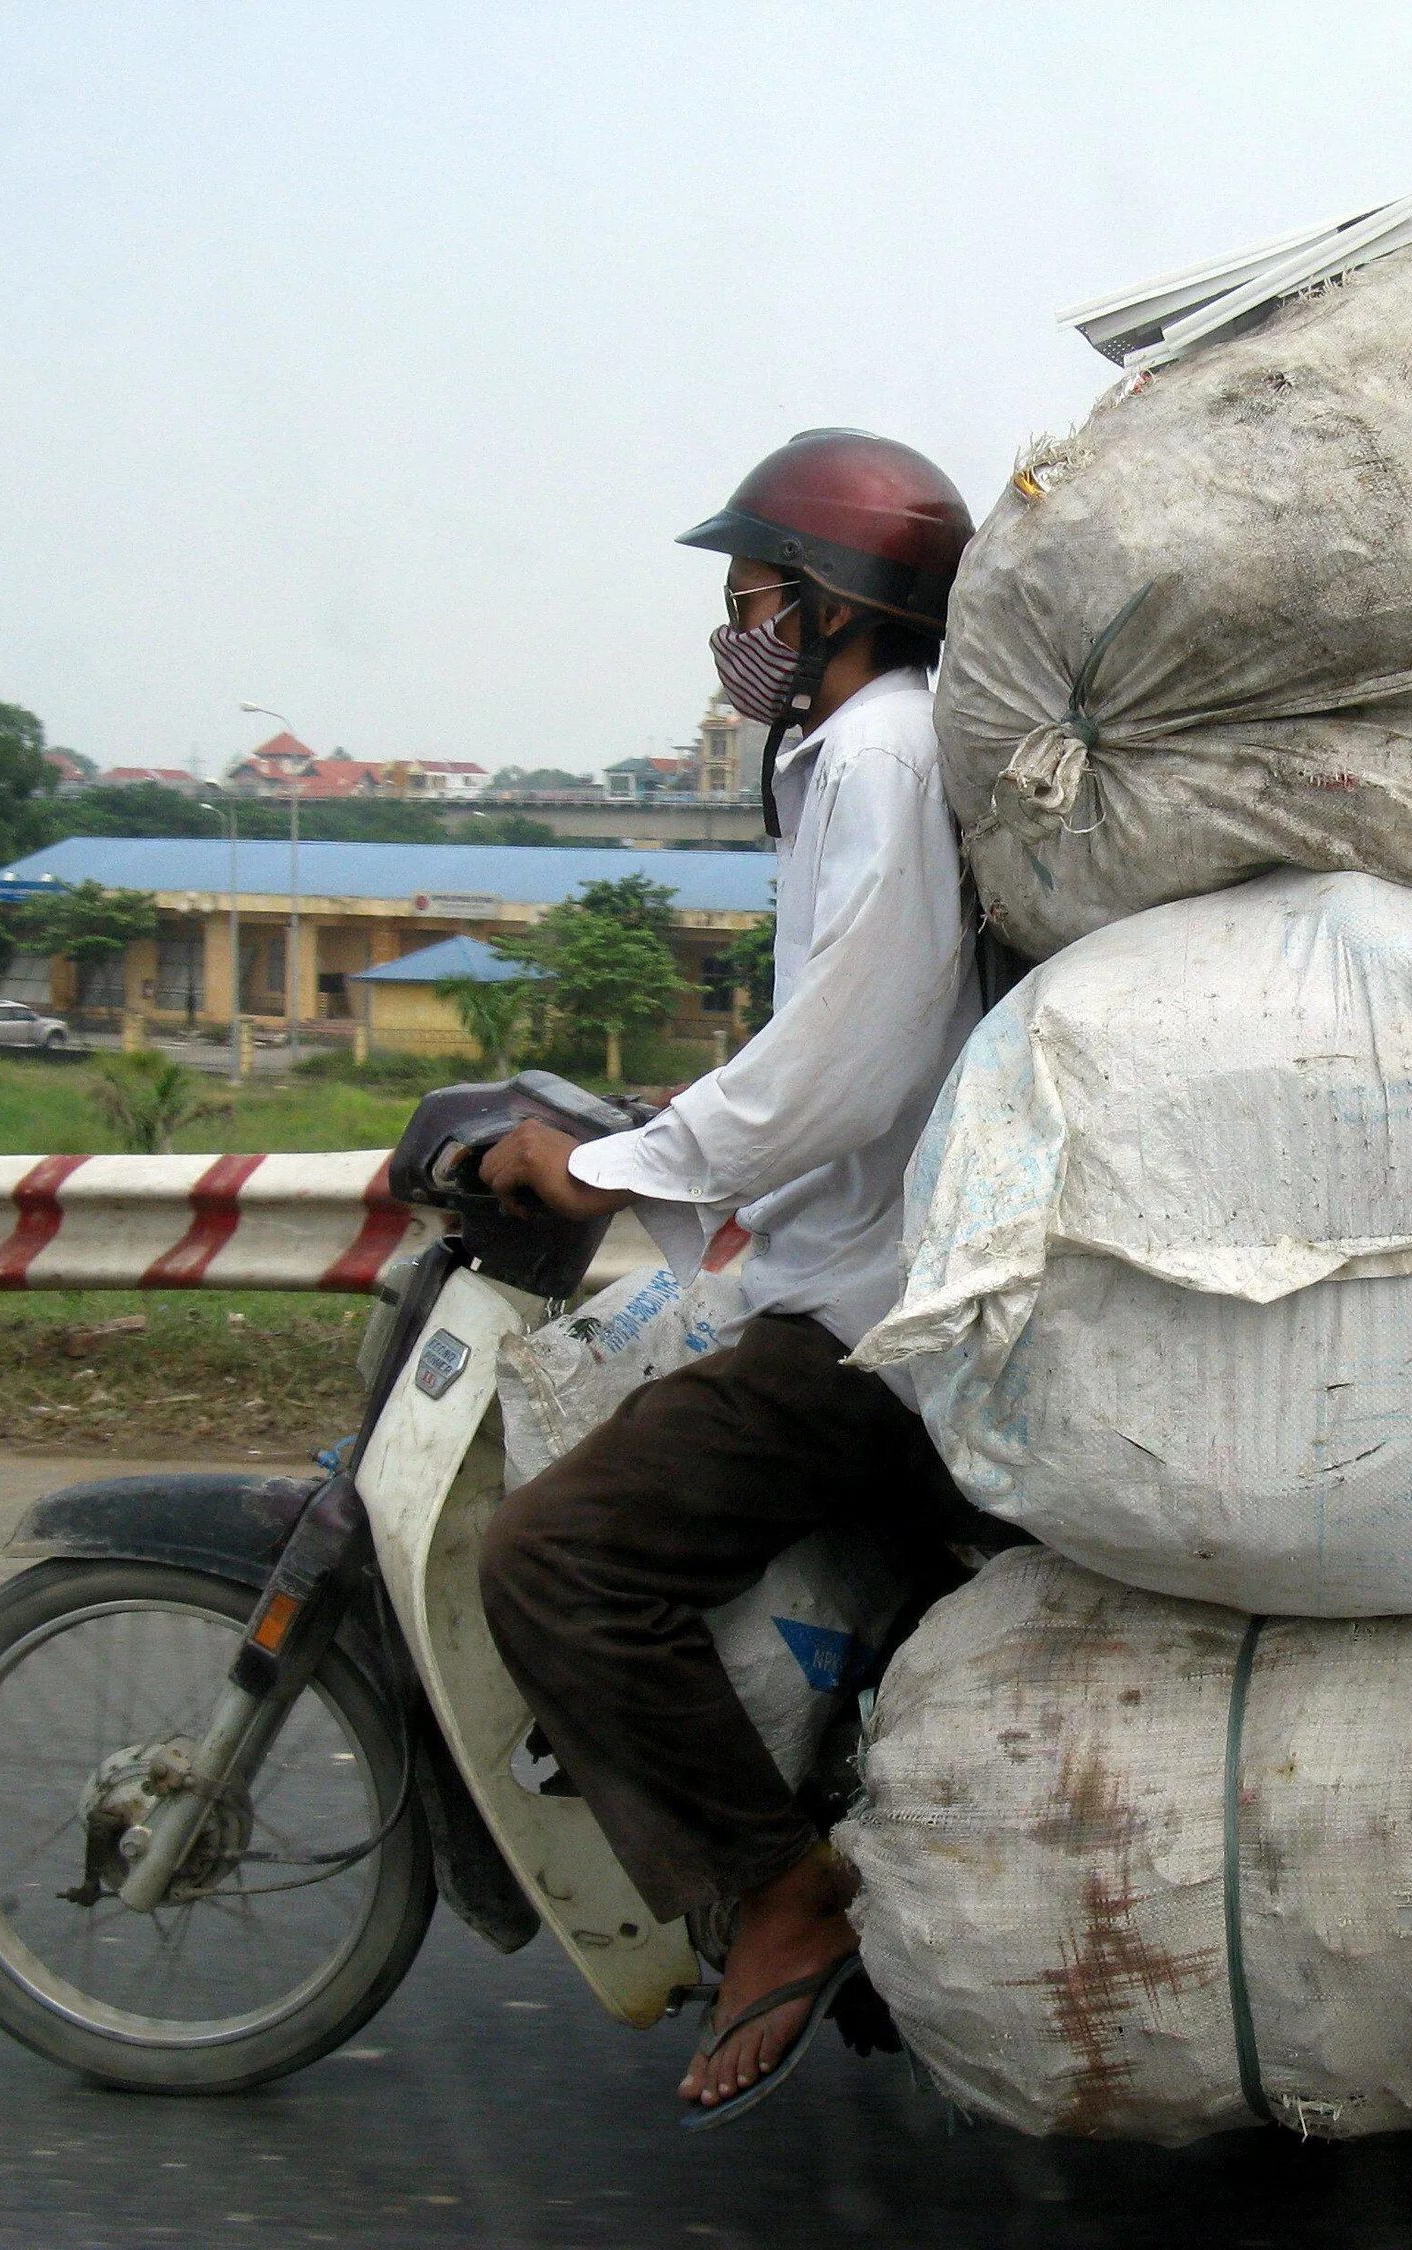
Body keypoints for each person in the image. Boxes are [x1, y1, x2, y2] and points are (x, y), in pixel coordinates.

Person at [473, 430, 981, 2124]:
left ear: (832, 604)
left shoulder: (884, 758)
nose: (733, 628)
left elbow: (852, 1052)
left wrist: (621, 1163)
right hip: (851, 1265)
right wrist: (673, 1149)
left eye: (751, 593)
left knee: (553, 1556)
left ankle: (774, 1883)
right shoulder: (852, 751)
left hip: (873, 1316)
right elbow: (831, 1048)